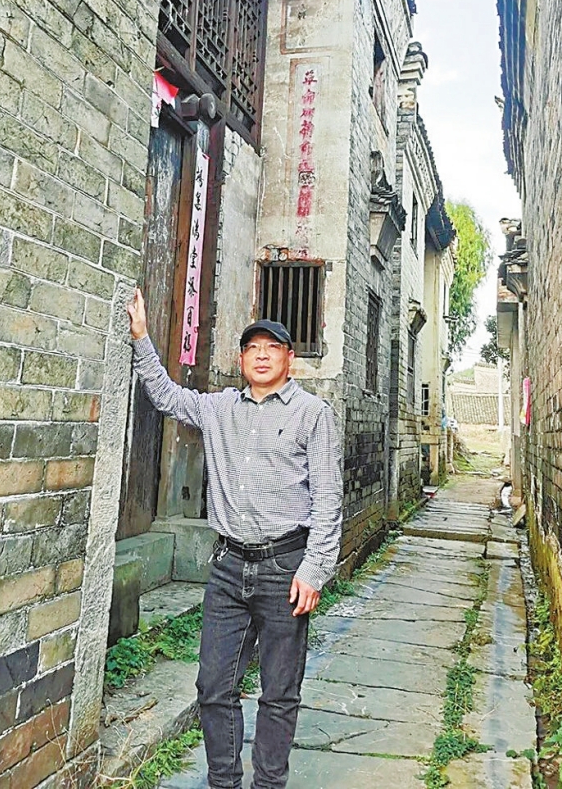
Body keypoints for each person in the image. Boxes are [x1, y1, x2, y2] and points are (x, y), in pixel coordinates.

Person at [126, 288, 343, 789]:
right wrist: (141, 337)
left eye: (272, 348)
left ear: (290, 358)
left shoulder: (312, 414)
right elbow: (166, 395)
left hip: (285, 568)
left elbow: (329, 498)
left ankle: (268, 783)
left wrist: (315, 569)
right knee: (213, 685)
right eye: (252, 348)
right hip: (228, 568)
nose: (261, 356)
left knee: (279, 692)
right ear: (242, 359)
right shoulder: (220, 408)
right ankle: (224, 781)